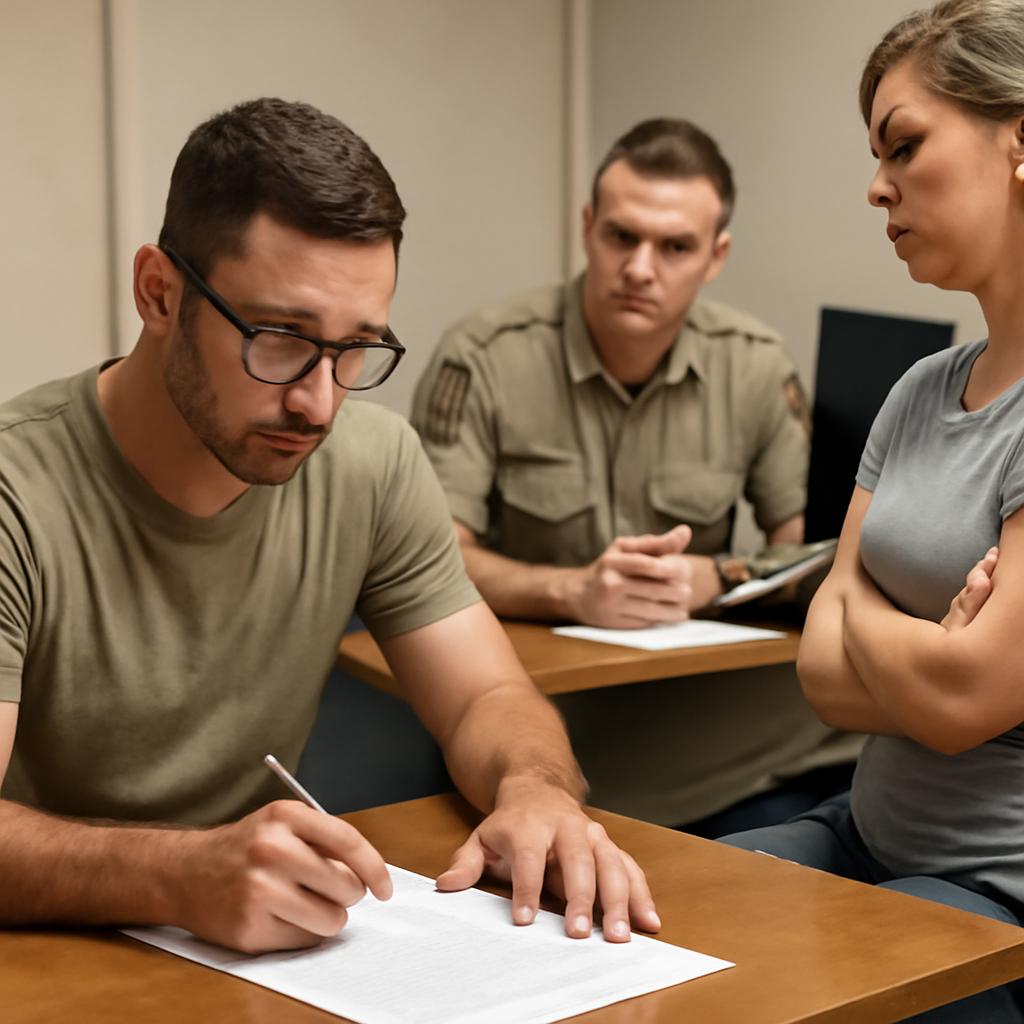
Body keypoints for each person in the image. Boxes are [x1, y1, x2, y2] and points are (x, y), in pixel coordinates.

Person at [0, 97, 661, 954]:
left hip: (251, 955)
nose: (319, 400)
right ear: (159, 293)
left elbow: (486, 698)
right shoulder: (18, 491)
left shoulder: (372, 461)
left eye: (358, 348)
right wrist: (176, 874)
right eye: (280, 338)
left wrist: (535, 790)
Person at [411, 118, 860, 834]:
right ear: (588, 228)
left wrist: (715, 576)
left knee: (875, 725)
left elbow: (808, 562)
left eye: (675, 246)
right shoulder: (485, 356)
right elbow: (428, 568)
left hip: (689, 702)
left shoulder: (754, 365)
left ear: (715, 257)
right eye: (622, 237)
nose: (641, 267)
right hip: (537, 704)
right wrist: (572, 591)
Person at [720, 0, 1024, 1018]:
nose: (875, 186)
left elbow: (969, 698)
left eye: (904, 145)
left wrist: (866, 621)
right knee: (662, 918)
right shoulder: (916, 390)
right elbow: (819, 664)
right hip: (863, 831)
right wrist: (923, 648)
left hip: (995, 888)